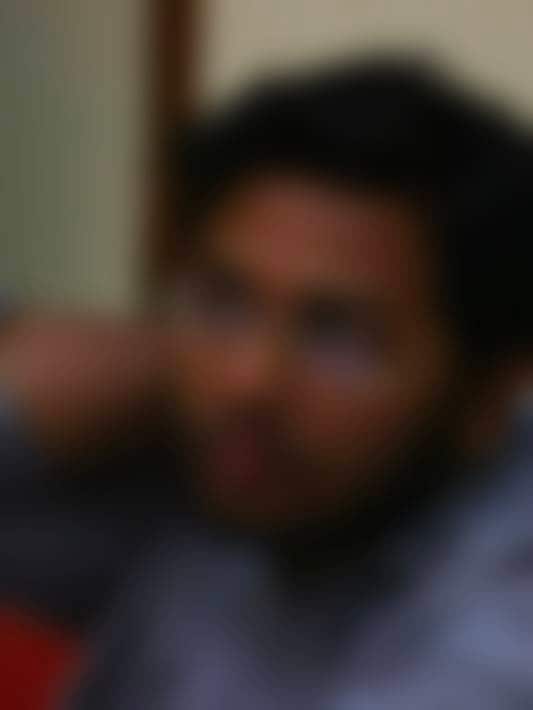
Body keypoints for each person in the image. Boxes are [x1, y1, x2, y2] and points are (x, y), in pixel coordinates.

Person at [1, 57, 533, 709]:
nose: (249, 380)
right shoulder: (222, 500)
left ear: (487, 394)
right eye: (224, 301)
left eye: (339, 337)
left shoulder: (504, 614)